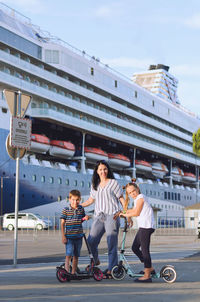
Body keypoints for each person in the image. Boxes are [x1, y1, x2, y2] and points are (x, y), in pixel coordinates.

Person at [81, 160, 127, 279]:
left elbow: (121, 199)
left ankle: (112, 269)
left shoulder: (113, 183)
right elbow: (91, 200)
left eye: (105, 169)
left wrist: (125, 212)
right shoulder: (94, 184)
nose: (103, 171)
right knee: (91, 241)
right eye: (100, 169)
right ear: (97, 171)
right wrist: (80, 205)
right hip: (98, 216)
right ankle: (95, 261)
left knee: (111, 243)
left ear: (108, 170)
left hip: (112, 215)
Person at [120, 179, 155, 283]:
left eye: (133, 191)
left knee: (145, 251)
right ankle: (150, 268)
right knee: (135, 247)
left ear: (137, 189)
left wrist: (124, 214)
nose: (132, 194)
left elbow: (137, 213)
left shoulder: (141, 197)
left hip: (146, 227)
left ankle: (147, 275)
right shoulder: (137, 199)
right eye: (130, 193)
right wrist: (123, 211)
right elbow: (133, 210)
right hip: (143, 227)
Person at [60, 189, 89, 274]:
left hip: (79, 236)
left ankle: (73, 273)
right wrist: (63, 236)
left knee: (76, 255)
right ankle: (66, 271)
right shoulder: (66, 210)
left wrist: (85, 218)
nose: (75, 202)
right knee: (68, 255)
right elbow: (62, 223)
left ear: (79, 200)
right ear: (69, 199)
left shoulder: (81, 209)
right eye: (73, 200)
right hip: (69, 237)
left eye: (77, 200)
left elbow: (81, 220)